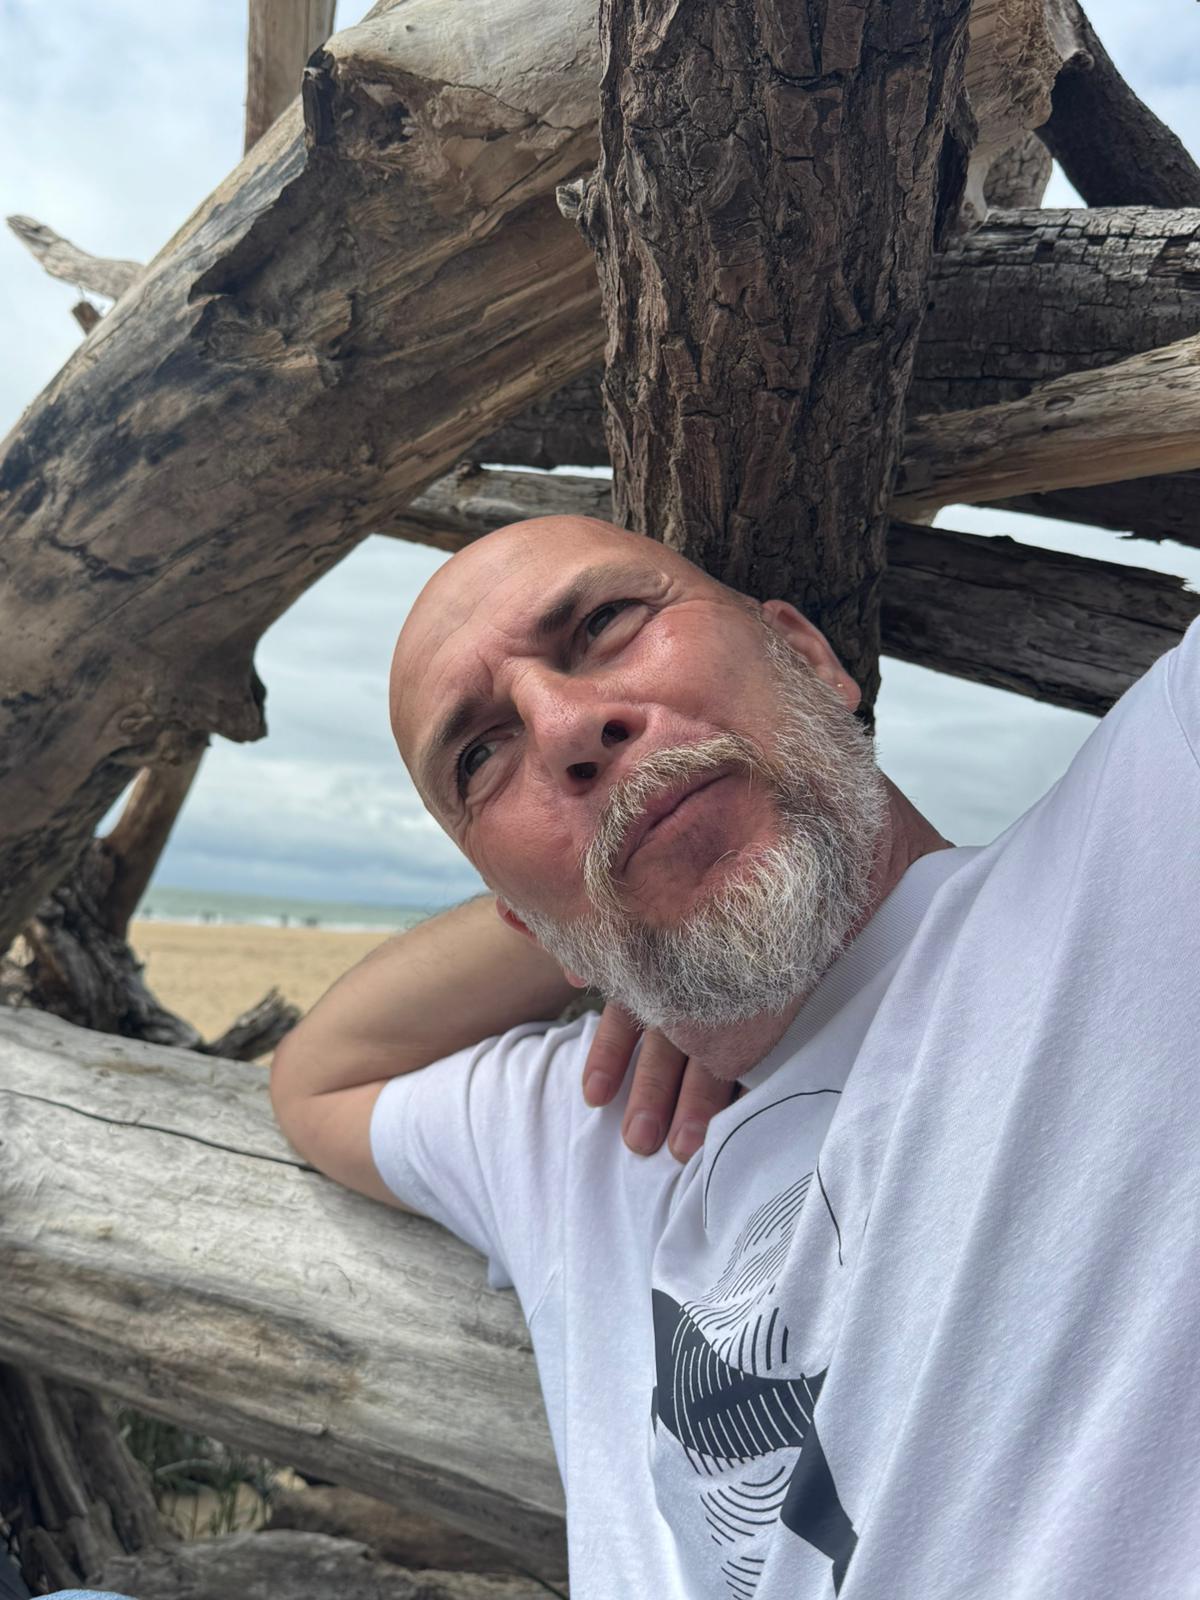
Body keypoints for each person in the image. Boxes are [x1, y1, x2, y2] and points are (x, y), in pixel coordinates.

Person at [271, 515, 1200, 1599]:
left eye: (605, 623)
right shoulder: (590, 1136)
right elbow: (318, 1077)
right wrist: (607, 920)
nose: (568, 726)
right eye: (481, 756)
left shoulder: (1145, 847)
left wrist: (614, 875)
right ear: (517, 923)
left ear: (807, 656)